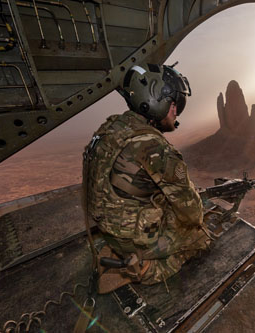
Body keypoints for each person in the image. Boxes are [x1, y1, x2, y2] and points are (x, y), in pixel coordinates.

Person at [83, 63, 211, 291]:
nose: (176, 112)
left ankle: (123, 251)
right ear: (155, 101)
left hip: (106, 227)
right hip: (129, 239)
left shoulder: (113, 126)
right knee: (200, 237)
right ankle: (142, 269)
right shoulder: (154, 147)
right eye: (174, 104)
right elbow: (192, 214)